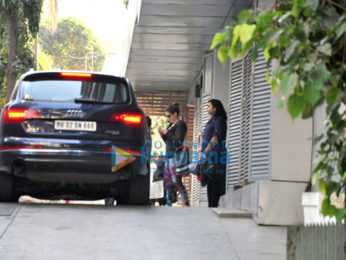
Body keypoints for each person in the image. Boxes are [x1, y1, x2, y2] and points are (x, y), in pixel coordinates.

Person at [158, 103, 189, 206]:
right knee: (167, 182)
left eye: (169, 116)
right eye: (166, 116)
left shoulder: (180, 124)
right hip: (169, 156)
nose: (167, 118)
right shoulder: (171, 125)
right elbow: (169, 141)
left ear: (175, 114)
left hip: (175, 157)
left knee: (176, 181)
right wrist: (163, 135)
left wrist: (167, 133)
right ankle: (169, 203)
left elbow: (178, 141)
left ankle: (186, 202)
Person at [201, 99, 227, 208]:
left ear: (215, 108)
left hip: (215, 156)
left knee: (215, 181)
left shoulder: (219, 120)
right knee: (210, 181)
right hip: (210, 155)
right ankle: (210, 206)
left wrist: (207, 148)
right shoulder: (213, 120)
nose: (207, 108)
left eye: (209, 106)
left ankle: (213, 206)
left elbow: (216, 137)